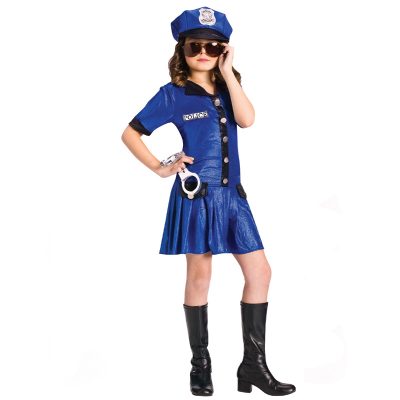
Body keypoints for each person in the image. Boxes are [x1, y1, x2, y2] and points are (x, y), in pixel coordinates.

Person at [121, 6, 296, 397]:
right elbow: (131, 133)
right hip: (197, 196)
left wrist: (229, 74)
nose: (203, 53)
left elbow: (247, 119)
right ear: (182, 50)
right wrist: (160, 167)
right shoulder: (173, 94)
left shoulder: (229, 88)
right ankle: (200, 366)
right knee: (200, 277)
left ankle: (253, 365)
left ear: (224, 52)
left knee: (260, 272)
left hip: (233, 197)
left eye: (214, 47)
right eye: (195, 46)